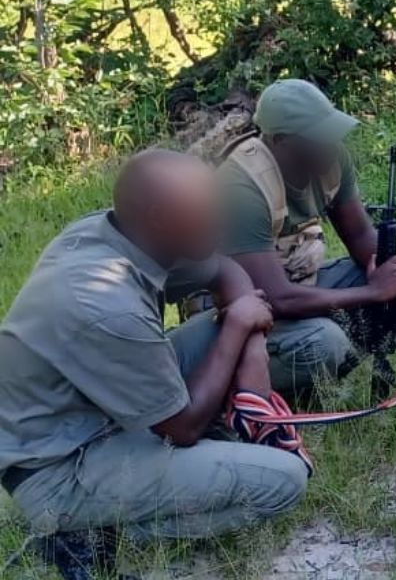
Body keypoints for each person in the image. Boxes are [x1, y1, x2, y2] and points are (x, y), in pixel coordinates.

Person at [0, 151, 310, 580]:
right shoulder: (107, 304)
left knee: (222, 331)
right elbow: (183, 428)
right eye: (207, 212)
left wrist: (252, 351)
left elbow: (224, 270)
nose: (221, 221)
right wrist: (239, 326)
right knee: (283, 481)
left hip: (100, 405)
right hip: (60, 466)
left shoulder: (125, 233)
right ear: (161, 219)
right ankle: (83, 532)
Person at [218, 79, 396, 397]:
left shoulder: (329, 162)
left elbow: (362, 237)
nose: (332, 145)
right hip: (239, 316)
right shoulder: (241, 186)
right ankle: (257, 392)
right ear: (282, 142)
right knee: (324, 342)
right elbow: (278, 298)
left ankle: (323, 375)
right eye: (320, 138)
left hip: (299, 285)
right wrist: (373, 292)